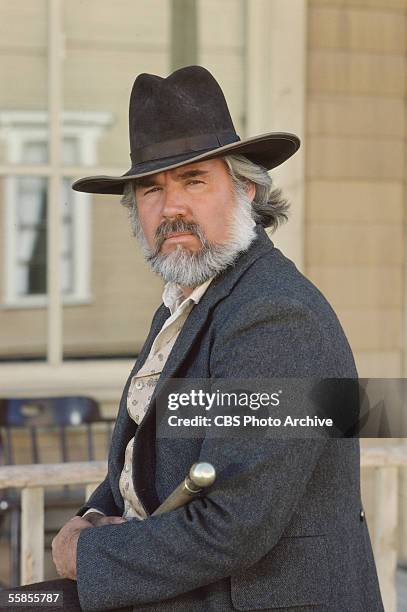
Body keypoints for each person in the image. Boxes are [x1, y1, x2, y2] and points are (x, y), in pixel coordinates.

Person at [4, 66, 384, 612]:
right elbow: (146, 465)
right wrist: (91, 517)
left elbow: (233, 524)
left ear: (247, 190)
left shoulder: (276, 317)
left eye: (195, 181)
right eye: (151, 189)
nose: (171, 206)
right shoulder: (187, 301)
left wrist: (87, 555)